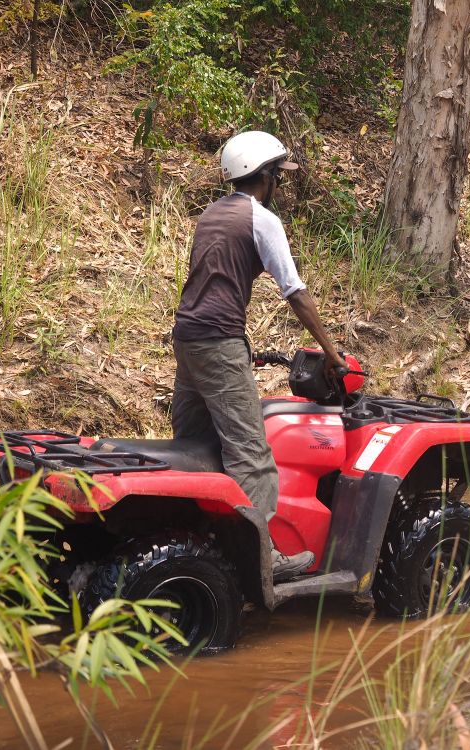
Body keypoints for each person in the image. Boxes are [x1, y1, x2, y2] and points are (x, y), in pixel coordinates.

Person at [171, 131, 346, 581]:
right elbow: (295, 292)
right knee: (251, 454)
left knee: (196, 443)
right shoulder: (261, 219)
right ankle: (265, 555)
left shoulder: (211, 213)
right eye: (277, 177)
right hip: (219, 342)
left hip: (187, 338)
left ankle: (198, 538)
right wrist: (332, 353)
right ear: (264, 177)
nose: (278, 186)